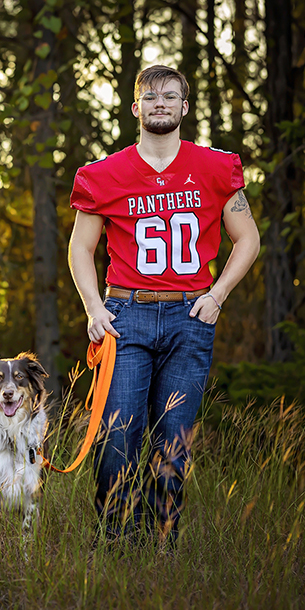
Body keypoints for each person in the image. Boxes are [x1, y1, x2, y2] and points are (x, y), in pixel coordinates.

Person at [68, 64, 260, 542]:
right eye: (150, 96)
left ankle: (163, 541)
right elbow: (79, 248)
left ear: (183, 108)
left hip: (189, 315)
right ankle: (115, 539)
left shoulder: (216, 166)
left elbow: (248, 239)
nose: (160, 103)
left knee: (173, 440)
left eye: (170, 96)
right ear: (135, 107)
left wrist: (218, 295)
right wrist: (94, 308)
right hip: (126, 316)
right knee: (118, 436)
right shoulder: (102, 174)